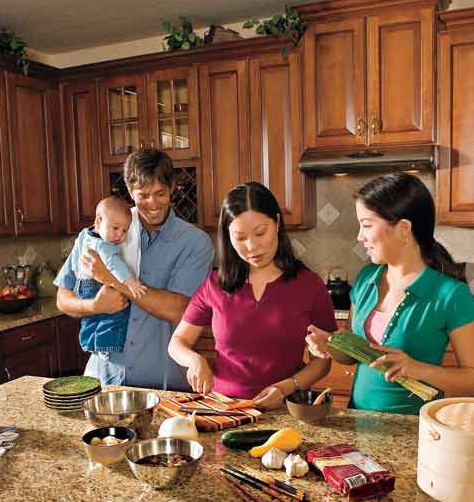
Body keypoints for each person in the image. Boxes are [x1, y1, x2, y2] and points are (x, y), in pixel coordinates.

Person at [306, 172, 474, 415]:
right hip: (358, 421)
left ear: (403, 229)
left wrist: (417, 369)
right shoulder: (365, 279)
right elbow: (355, 356)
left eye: (367, 225)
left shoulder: (450, 294)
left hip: (413, 429)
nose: (360, 237)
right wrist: (329, 344)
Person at [168, 182, 337, 410]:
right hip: (224, 410)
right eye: (240, 237)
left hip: (287, 408)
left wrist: (286, 388)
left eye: (260, 233)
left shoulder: (309, 285)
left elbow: (323, 361)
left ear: (277, 223)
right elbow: (177, 343)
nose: (252, 246)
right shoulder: (214, 285)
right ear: (228, 237)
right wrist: (195, 360)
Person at [54, 149, 215, 388]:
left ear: (172, 187)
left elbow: (180, 310)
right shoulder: (108, 229)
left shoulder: (195, 243)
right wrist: (93, 306)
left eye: (160, 193)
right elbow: (63, 297)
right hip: (103, 379)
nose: (153, 204)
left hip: (165, 385)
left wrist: (112, 279)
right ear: (130, 191)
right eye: (143, 195)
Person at [70, 195, 147, 359]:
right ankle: (105, 346)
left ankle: (89, 343)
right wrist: (131, 283)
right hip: (95, 285)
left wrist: (77, 270)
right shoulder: (105, 245)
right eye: (115, 228)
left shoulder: (85, 234)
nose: (120, 235)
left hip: (82, 284)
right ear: (98, 221)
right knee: (116, 314)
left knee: (90, 319)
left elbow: (77, 252)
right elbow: (114, 264)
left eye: (125, 230)